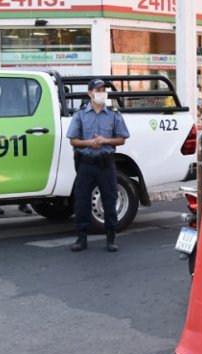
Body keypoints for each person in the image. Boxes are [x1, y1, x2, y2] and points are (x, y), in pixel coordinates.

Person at [66, 78, 130, 252]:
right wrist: (90, 143)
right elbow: (73, 140)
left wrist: (105, 140)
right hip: (86, 163)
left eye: (103, 89)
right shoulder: (80, 114)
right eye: (98, 90)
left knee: (109, 199)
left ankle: (111, 237)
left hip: (105, 163)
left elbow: (122, 138)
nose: (101, 93)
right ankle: (81, 237)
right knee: (82, 200)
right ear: (90, 93)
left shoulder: (113, 114)